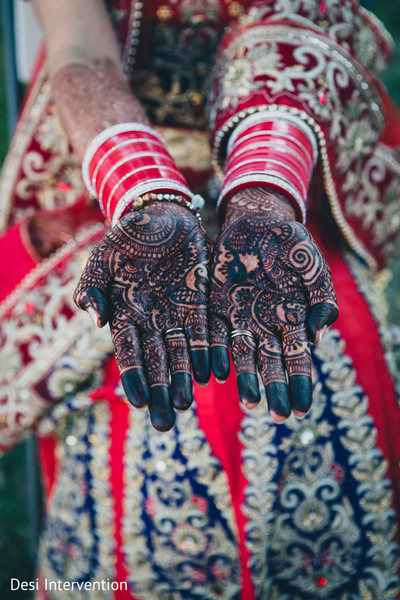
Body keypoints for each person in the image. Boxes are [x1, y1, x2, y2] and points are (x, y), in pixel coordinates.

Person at [1, 0, 400, 598]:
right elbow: (79, 46)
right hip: (124, 217)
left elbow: (291, 29)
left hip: (287, 217)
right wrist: (146, 193)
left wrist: (264, 192)